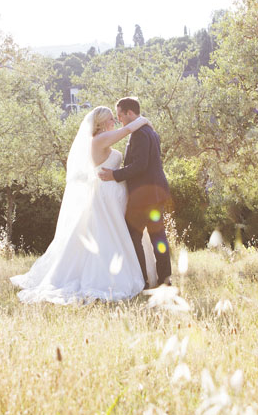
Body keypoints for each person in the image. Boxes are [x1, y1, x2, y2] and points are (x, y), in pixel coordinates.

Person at [10, 106, 150, 304]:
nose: (115, 121)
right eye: (111, 119)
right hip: (103, 198)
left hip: (113, 197)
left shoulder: (104, 139)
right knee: (106, 234)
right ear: (101, 123)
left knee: (117, 233)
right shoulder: (99, 139)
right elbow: (126, 131)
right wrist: (143, 120)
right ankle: (108, 278)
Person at [99, 97, 172, 289]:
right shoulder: (149, 131)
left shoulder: (140, 134)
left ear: (130, 113)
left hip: (143, 196)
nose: (120, 120)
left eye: (120, 116)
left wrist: (114, 175)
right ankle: (165, 279)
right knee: (158, 236)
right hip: (155, 193)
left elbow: (139, 165)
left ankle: (143, 280)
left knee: (133, 236)